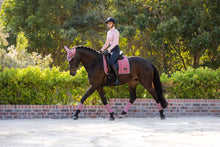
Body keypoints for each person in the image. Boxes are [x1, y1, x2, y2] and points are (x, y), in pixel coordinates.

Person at [100, 17, 120, 85]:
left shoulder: (116, 32)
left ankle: (117, 79)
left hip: (115, 50)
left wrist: (108, 50)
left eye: (110, 23)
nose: (109, 24)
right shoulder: (108, 32)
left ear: (113, 24)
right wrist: (101, 50)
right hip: (110, 49)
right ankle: (108, 77)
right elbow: (106, 43)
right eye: (108, 23)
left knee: (111, 62)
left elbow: (114, 43)